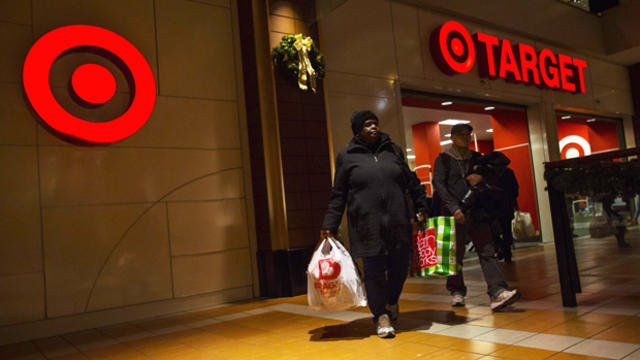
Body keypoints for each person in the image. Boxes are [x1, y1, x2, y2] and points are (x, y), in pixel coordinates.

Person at [320, 110, 428, 339]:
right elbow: (338, 194)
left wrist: (421, 207)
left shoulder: (393, 150)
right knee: (374, 272)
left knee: (400, 268)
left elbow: (411, 182)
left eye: (375, 123)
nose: (373, 127)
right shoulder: (347, 156)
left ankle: (390, 301)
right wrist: (330, 223)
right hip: (366, 226)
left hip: (398, 222)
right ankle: (381, 316)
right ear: (358, 129)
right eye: (368, 124)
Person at [432, 123, 520, 311]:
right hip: (452, 213)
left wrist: (482, 179)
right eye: (461, 134)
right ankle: (456, 291)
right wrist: (454, 208)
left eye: (468, 134)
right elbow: (439, 186)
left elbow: (495, 176)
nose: (466, 137)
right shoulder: (443, 160)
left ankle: (497, 291)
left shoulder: (478, 159)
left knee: (487, 250)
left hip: (477, 211)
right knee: (454, 254)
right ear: (452, 138)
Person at [493, 167, 519, 263]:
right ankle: (507, 252)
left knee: (493, 230)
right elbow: (515, 189)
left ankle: (501, 247)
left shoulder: (490, 173)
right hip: (506, 205)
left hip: (494, 206)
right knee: (506, 230)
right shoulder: (508, 172)